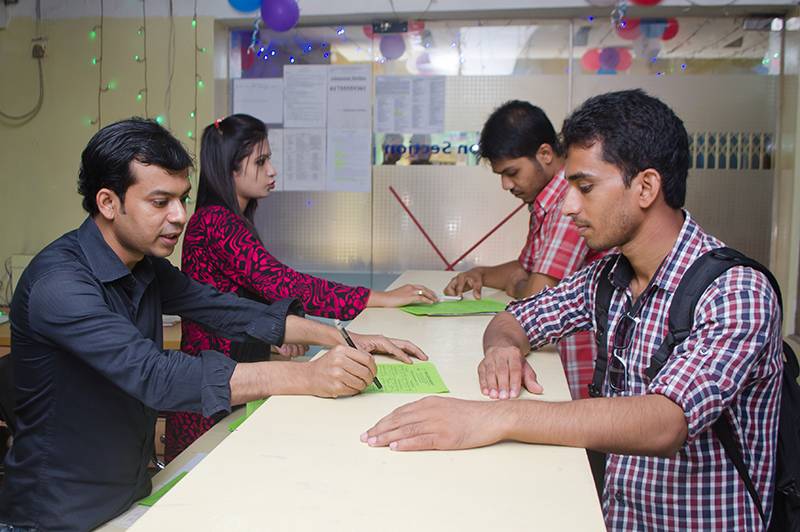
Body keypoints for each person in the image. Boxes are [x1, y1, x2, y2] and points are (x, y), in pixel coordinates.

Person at [362, 90, 783, 531]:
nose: (568, 207)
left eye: (584, 188)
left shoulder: (735, 290)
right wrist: (503, 349)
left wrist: (491, 416)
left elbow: (665, 421)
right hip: (613, 512)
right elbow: (515, 318)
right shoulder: (608, 276)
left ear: (646, 186)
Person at [0, 118, 426, 531]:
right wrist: (308, 375)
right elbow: (155, 375)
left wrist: (341, 336)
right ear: (109, 203)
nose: (180, 216)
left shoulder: (145, 265)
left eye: (182, 198)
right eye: (159, 201)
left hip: (126, 496)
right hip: (57, 517)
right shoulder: (60, 284)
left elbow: (226, 309)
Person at [164, 114, 438, 462]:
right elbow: (282, 282)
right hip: (212, 404)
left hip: (236, 386)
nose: (272, 170)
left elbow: (254, 294)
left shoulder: (230, 220)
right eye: (261, 162)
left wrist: (279, 338)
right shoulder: (216, 221)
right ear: (230, 169)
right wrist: (381, 297)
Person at [444, 100, 604, 400]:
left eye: (513, 172)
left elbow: (534, 296)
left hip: (573, 376)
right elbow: (525, 270)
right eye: (501, 175)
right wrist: (482, 273)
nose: (506, 185)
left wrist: (524, 283)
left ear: (545, 153)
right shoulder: (544, 201)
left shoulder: (566, 206)